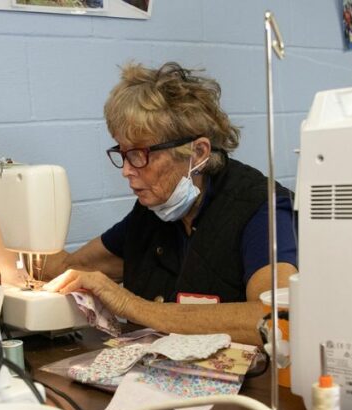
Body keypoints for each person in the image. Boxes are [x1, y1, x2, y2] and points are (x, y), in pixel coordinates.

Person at [43, 62, 298, 345]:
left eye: (139, 154)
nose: (126, 170)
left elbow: (276, 319)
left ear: (197, 153)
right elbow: (70, 268)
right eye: (123, 153)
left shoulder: (262, 211)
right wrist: (9, 248)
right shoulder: (151, 213)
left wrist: (129, 304)